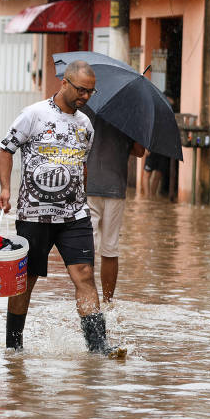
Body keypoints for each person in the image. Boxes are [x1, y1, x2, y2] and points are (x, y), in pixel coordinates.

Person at [0, 60, 123, 357]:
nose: (86, 96)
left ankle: (98, 346)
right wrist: (5, 187)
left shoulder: (85, 125)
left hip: (75, 216)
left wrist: (81, 197)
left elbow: (81, 166)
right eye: (81, 90)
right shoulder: (33, 115)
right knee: (24, 282)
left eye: (91, 92)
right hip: (34, 215)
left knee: (84, 274)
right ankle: (14, 347)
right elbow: (6, 150)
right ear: (64, 83)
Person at [85, 117, 144, 304]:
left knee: (86, 248)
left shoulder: (84, 109)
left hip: (88, 186)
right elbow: (140, 151)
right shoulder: (129, 115)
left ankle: (87, 299)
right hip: (115, 188)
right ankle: (108, 302)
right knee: (110, 248)